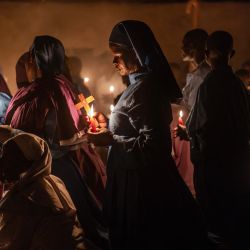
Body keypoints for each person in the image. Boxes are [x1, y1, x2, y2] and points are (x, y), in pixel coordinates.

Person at [88, 20, 211, 250]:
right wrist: (111, 127)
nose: (114, 61)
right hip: (131, 179)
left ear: (135, 51)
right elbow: (133, 126)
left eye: (118, 54)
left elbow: (154, 147)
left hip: (142, 189)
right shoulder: (137, 86)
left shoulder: (146, 90)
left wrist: (111, 140)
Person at [5, 36, 108, 249]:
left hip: (50, 170)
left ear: (37, 59)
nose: (29, 63)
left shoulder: (47, 90)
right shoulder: (62, 86)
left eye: (31, 57)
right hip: (54, 167)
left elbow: (46, 136)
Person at [178, 31, 250, 249]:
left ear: (206, 54)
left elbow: (199, 122)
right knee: (233, 207)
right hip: (236, 158)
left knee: (214, 210)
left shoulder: (209, 84)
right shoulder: (238, 84)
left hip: (212, 159)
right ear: (232, 53)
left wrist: (187, 133)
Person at [0, 125, 98, 250]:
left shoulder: (24, 199)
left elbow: (9, 243)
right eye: (2, 154)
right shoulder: (53, 181)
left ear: (27, 163)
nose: (2, 161)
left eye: (9, 158)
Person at [181, 28, 210, 111]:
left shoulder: (201, 76)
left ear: (192, 47)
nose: (181, 48)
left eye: (184, 44)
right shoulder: (198, 73)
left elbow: (192, 108)